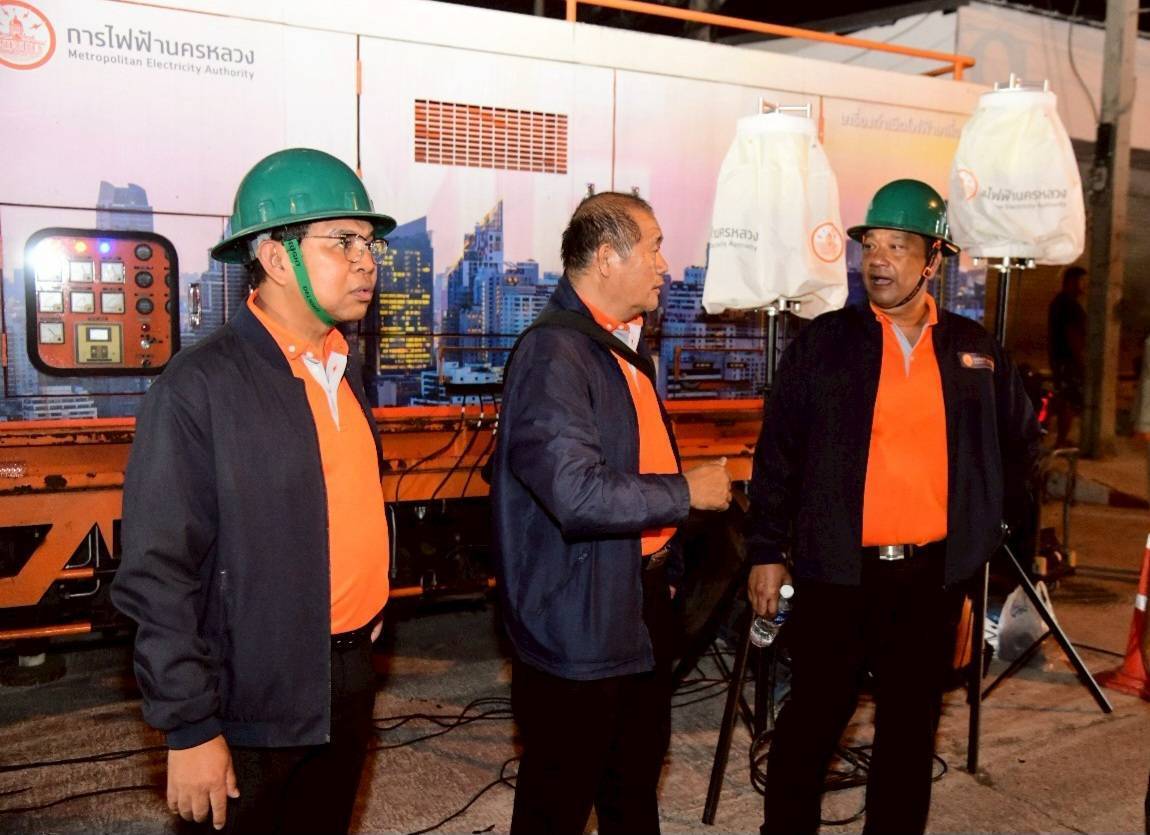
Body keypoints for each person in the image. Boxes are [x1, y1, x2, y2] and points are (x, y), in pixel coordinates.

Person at [111, 148, 396, 834]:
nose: (367, 261)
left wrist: (373, 598)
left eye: (370, 243)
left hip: (348, 675)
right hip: (251, 703)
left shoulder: (343, 367)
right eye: (344, 241)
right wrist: (189, 727)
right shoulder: (198, 388)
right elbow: (157, 572)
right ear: (274, 257)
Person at [745, 179, 1040, 834]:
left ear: (933, 259)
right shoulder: (826, 343)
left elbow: (1020, 449)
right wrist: (765, 549)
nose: (878, 260)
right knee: (813, 722)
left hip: (931, 580)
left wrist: (986, 549)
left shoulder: (973, 350)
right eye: (871, 246)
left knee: (909, 732)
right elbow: (778, 453)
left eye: (898, 246)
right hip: (836, 575)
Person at [490, 192, 732, 835]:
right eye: (654, 248)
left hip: (634, 603)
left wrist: (665, 568)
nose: (665, 265)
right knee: (559, 801)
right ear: (606, 257)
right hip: (577, 621)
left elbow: (635, 459)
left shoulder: (621, 348)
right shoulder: (554, 355)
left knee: (633, 787)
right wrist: (687, 493)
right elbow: (576, 492)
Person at [1047, 265, 1087, 448]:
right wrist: (1080, 362)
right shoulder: (1069, 305)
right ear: (1071, 282)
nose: (1084, 286)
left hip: (1059, 359)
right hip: (1067, 360)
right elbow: (1073, 335)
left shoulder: (1059, 302)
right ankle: (1061, 440)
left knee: (1062, 398)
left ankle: (1055, 436)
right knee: (1068, 400)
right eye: (1081, 281)